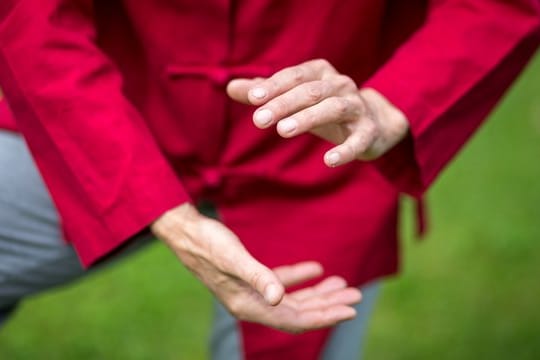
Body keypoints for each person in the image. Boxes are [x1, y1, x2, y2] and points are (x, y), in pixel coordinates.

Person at [0, 1, 538, 359]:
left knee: (298, 326)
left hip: (323, 153)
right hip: (105, 117)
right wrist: (163, 211)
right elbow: (32, 16)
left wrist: (391, 105)